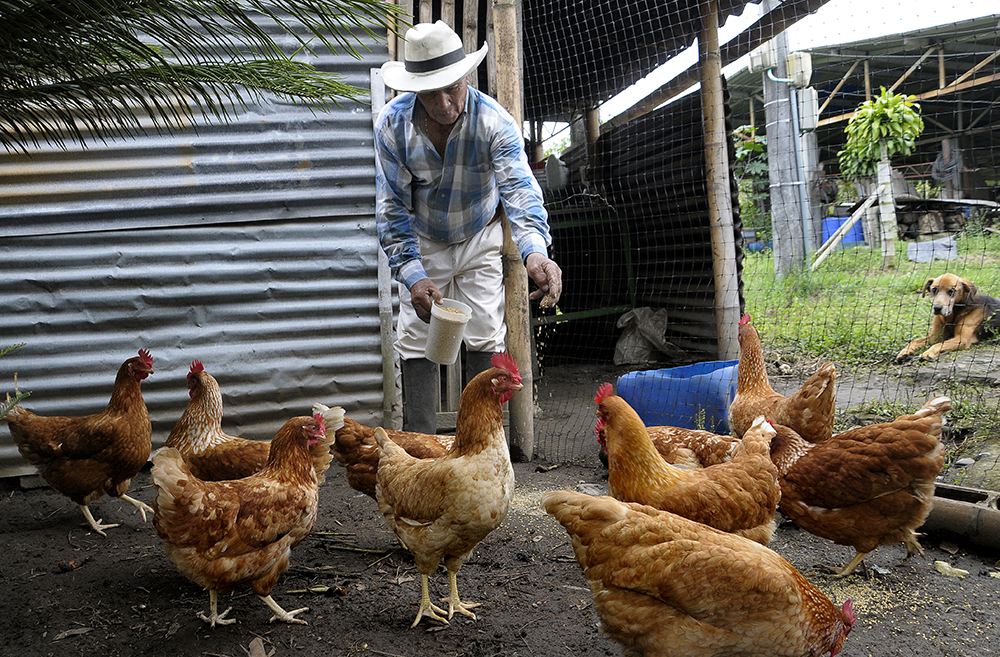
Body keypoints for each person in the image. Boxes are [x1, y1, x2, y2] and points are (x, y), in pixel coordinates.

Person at [375, 21, 563, 433]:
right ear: (413, 91)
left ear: (466, 77)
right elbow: (392, 211)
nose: (444, 103)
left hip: (479, 233)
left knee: (484, 331)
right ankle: (419, 454)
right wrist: (413, 276)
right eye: (430, 93)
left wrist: (535, 252)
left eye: (453, 88)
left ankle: (483, 446)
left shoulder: (494, 122)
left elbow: (520, 191)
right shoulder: (392, 126)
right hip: (423, 239)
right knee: (415, 332)